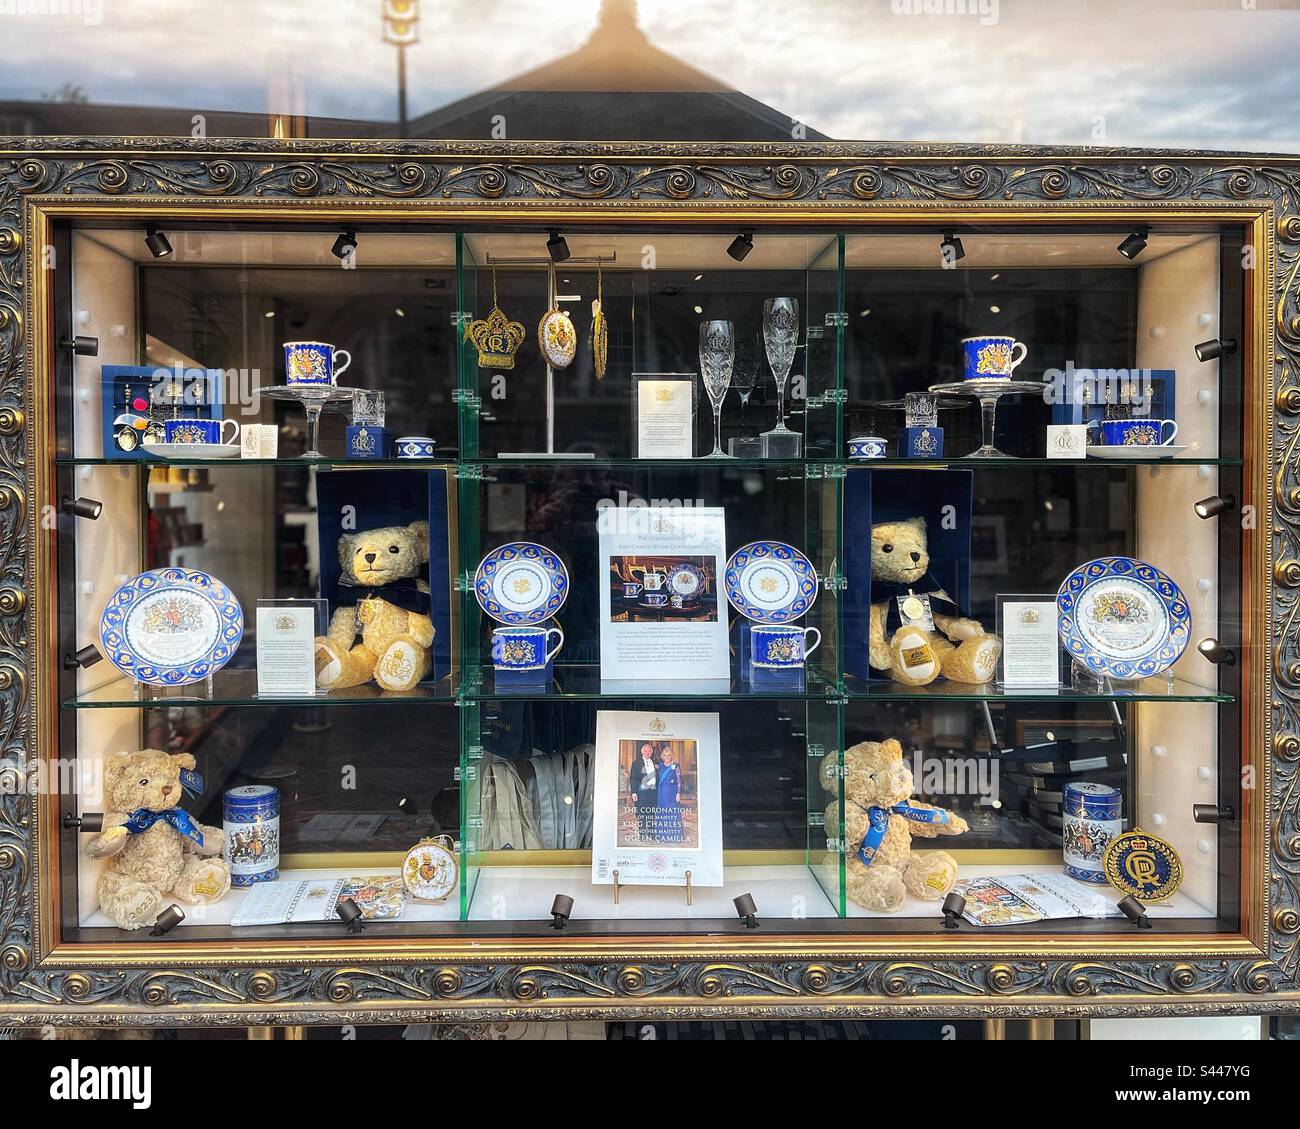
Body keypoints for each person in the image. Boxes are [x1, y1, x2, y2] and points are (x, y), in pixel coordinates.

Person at [628, 742, 658, 842]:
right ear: (642, 752)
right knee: (641, 814)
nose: (648, 753)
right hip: (641, 792)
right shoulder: (636, 763)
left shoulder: (655, 762)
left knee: (652, 814)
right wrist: (634, 792)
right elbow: (633, 778)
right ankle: (642, 834)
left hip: (653, 792)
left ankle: (651, 833)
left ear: (652, 752)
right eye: (646, 751)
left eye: (650, 751)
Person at [655, 747, 684, 844]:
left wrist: (678, 793)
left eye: (669, 755)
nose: (667, 757)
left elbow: (678, 780)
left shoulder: (676, 765)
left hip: (672, 792)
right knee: (662, 811)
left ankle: (674, 835)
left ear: (672, 755)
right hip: (661, 792)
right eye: (665, 755)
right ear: (663, 756)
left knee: (672, 811)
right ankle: (662, 835)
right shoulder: (659, 766)